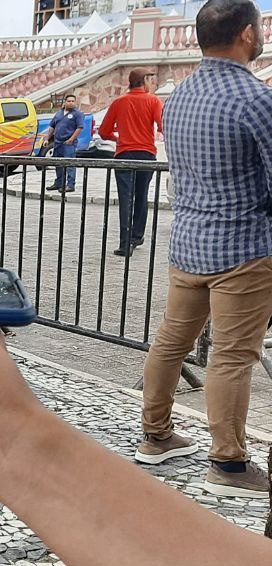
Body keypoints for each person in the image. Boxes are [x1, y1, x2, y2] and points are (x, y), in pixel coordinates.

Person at [134, 0, 272, 497]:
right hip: (244, 250)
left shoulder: (180, 95)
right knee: (233, 357)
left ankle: (155, 436)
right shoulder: (256, 99)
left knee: (171, 340)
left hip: (189, 244)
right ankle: (228, 466)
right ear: (246, 35)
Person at [100, 67, 164, 257]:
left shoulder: (119, 102)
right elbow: (162, 125)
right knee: (142, 196)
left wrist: (118, 138)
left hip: (124, 154)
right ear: (144, 82)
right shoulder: (153, 101)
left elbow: (104, 131)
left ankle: (124, 243)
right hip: (146, 154)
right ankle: (137, 235)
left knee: (126, 198)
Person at [45, 94, 84, 192]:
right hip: (58, 143)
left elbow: (79, 128)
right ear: (65, 102)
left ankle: (70, 185)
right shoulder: (59, 113)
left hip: (69, 143)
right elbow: (51, 127)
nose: (71, 103)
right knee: (58, 163)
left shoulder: (77, 114)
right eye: (69, 101)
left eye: (73, 101)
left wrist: (71, 139)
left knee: (70, 163)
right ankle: (59, 183)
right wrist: (47, 139)